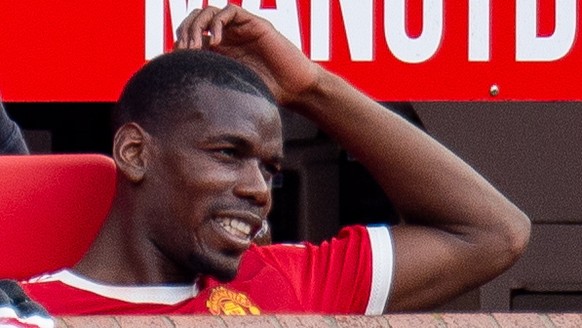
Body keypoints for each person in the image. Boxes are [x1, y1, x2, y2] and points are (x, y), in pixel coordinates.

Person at [13, 5, 529, 315]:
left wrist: (311, 86)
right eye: (228, 154)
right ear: (134, 152)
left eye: (268, 169)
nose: (258, 189)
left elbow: (494, 232)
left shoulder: (283, 279)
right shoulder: (28, 314)